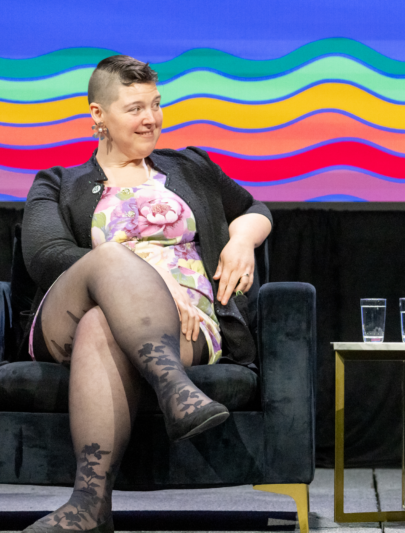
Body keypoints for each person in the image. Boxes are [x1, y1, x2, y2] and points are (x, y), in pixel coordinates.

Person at [20, 55, 273, 533]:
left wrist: (242, 239)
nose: (152, 118)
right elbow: (46, 255)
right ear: (98, 115)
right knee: (111, 264)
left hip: (187, 323)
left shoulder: (190, 166)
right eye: (136, 108)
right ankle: (176, 390)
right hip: (69, 314)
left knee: (104, 324)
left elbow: (254, 207)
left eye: (156, 105)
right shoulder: (57, 182)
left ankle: (88, 508)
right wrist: (144, 284)